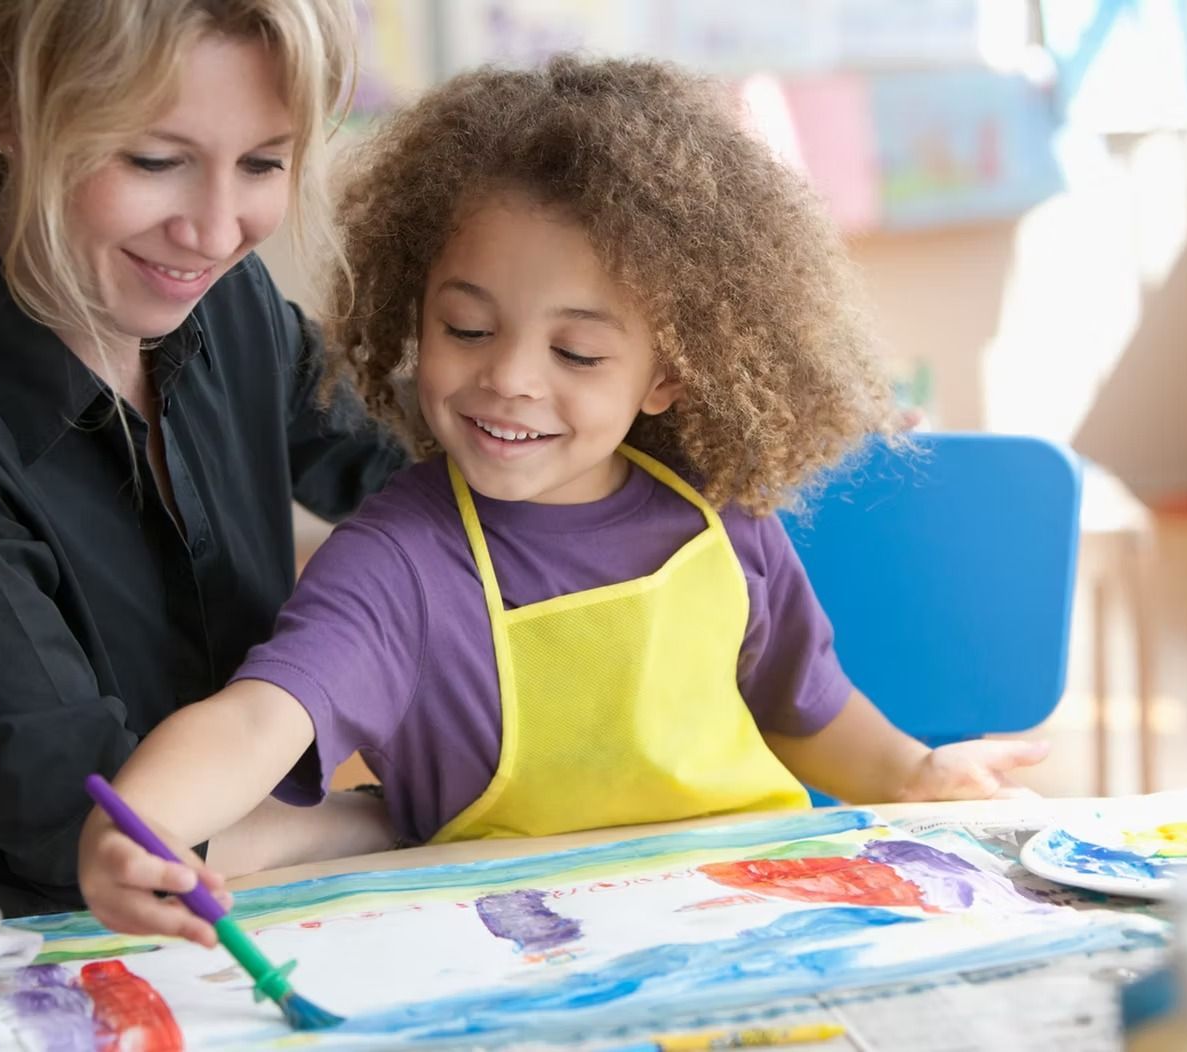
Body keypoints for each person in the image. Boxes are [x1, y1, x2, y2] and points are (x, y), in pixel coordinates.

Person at [79, 55, 1050, 942]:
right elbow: (258, 719)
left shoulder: (722, 520)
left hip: (755, 924)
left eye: (577, 351)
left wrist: (918, 773)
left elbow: (806, 706)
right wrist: (146, 819)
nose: (510, 377)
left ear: (666, 373)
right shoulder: (399, 561)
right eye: (465, 327)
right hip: (517, 951)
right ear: (412, 310)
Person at [0, 0, 403, 919]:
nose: (216, 232)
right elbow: (86, 821)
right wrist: (397, 819)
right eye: (155, 161)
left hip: (218, 926)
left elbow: (416, 469)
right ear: (14, 111)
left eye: (263, 162)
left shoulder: (227, 304)